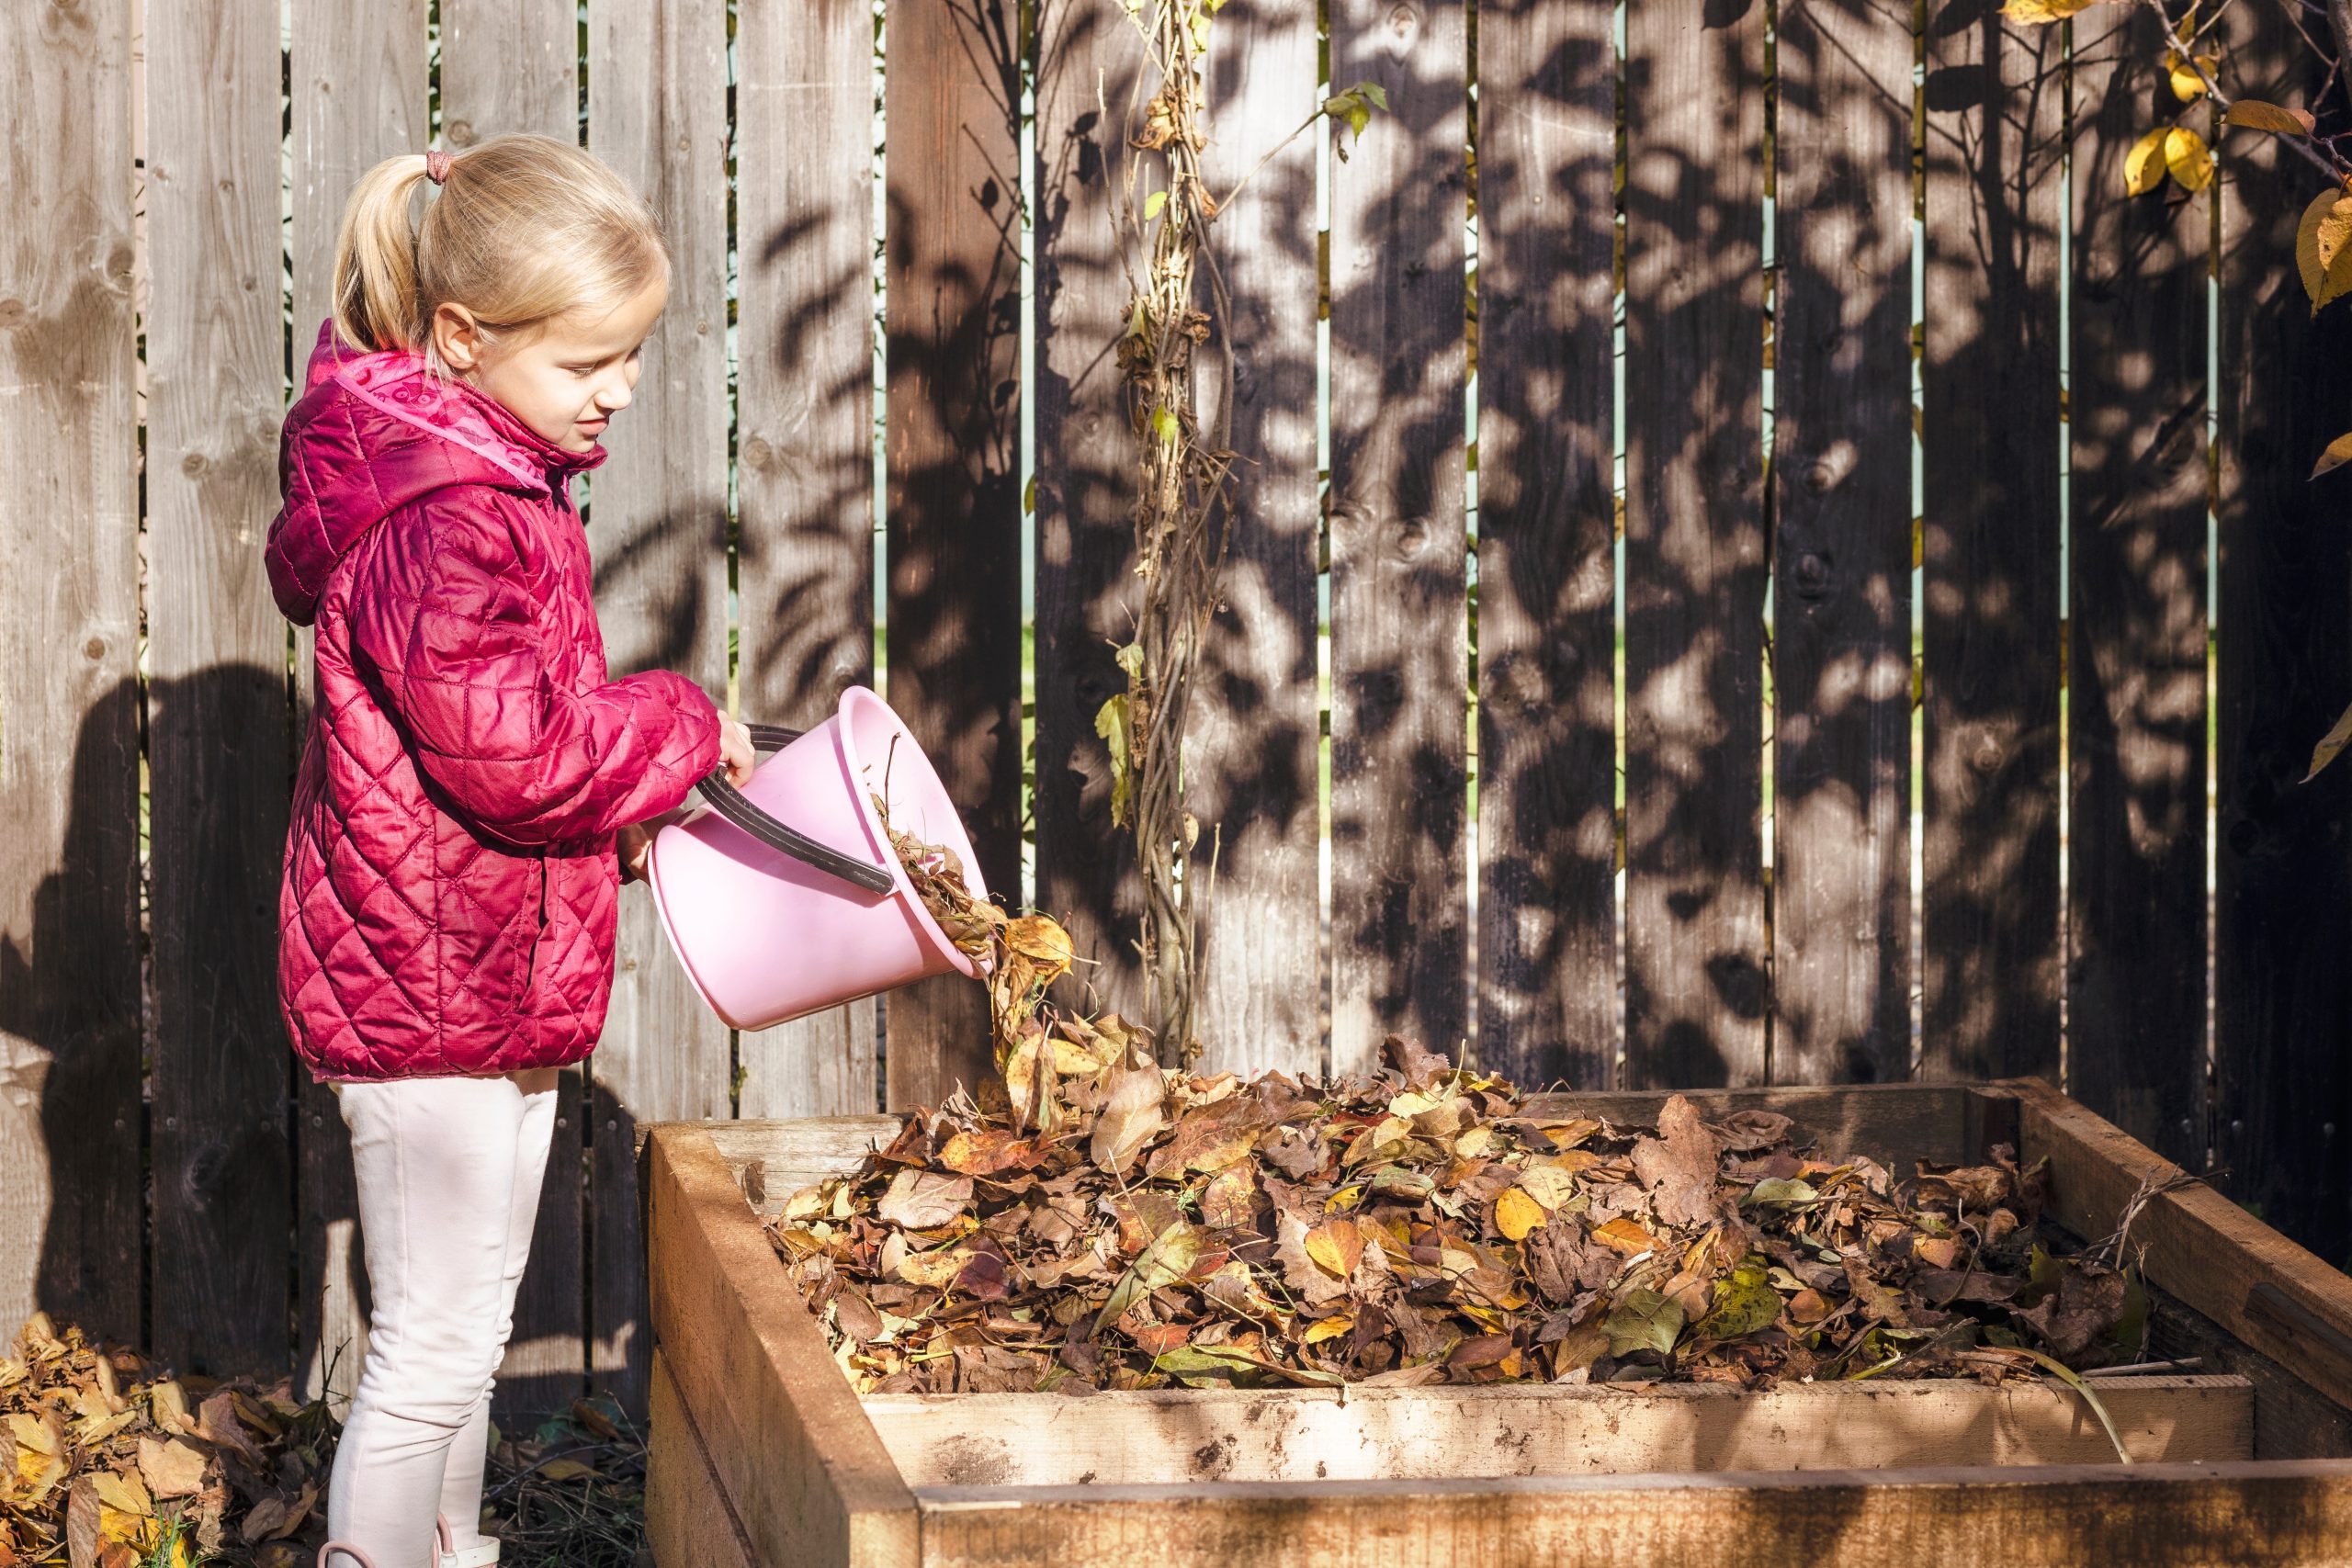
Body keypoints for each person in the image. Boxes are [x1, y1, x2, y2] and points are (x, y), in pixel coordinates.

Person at [265, 135, 754, 1568]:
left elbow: (479, 777)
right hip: (428, 1001)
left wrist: (627, 831)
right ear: (465, 339)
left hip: (467, 977)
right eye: (588, 360)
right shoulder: (450, 515)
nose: (619, 388)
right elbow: (523, 759)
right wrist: (680, 722)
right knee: (430, 1351)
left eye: (631, 356)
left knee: (461, 1341)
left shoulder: (485, 478)